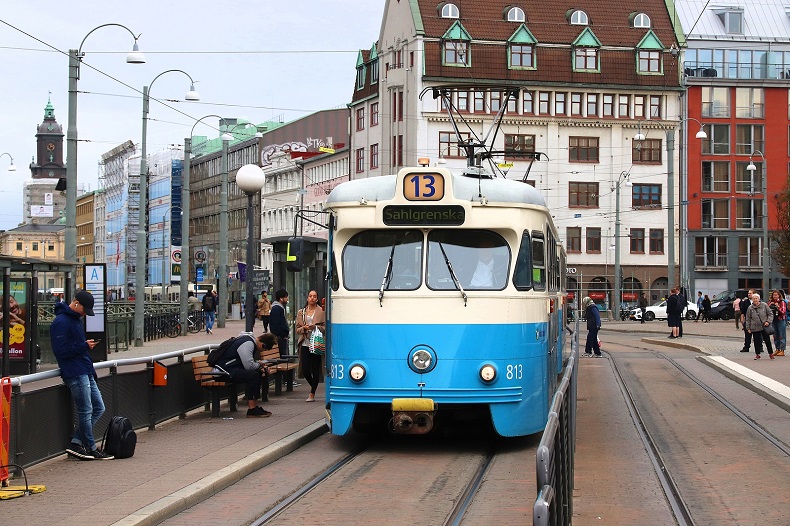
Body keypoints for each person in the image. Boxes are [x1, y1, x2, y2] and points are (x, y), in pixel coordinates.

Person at [51, 290, 113, 460]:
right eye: (84, 310)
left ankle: (77, 443)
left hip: (83, 370)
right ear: (76, 303)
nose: (85, 314)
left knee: (98, 407)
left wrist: (85, 349)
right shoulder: (61, 322)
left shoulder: (73, 320)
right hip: (75, 372)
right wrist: (84, 346)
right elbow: (61, 351)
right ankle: (91, 448)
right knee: (86, 410)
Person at [210, 332, 273, 417]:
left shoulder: (246, 340)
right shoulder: (248, 344)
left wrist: (259, 367)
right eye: (264, 349)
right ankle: (252, 409)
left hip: (228, 370)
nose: (261, 351)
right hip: (223, 372)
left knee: (257, 373)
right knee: (254, 376)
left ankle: (254, 407)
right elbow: (249, 366)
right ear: (263, 345)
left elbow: (247, 363)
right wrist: (259, 366)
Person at [295, 290, 326, 402]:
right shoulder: (301, 312)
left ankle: (312, 393)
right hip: (305, 342)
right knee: (305, 369)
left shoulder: (321, 312)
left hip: (316, 343)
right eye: (310, 296)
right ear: (307, 298)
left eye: (314, 296)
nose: (312, 298)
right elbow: (297, 329)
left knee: (315, 368)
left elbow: (325, 328)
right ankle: (313, 385)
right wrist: (304, 328)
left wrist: (315, 327)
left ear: (317, 299)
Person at [745, 293, 774, 360]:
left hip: (764, 326)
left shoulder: (764, 305)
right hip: (755, 327)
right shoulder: (750, 308)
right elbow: (748, 318)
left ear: (759, 299)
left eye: (756, 298)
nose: (755, 300)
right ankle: (757, 354)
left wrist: (768, 321)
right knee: (756, 341)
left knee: (767, 340)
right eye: (753, 299)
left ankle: (771, 353)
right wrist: (748, 327)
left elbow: (770, 314)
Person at [270, 288, 290, 358]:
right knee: (283, 357)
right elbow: (276, 324)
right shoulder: (277, 308)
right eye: (286, 297)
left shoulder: (278, 308)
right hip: (280, 338)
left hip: (280, 337)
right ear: (281, 298)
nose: (287, 299)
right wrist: (283, 335)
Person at [768, 290, 786, 357]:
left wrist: (778, 307)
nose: (775, 296)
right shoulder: (770, 302)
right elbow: (768, 310)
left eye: (776, 295)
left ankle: (782, 350)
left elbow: (783, 312)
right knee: (775, 335)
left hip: (780, 319)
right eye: (774, 295)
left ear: (779, 295)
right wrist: (770, 305)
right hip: (773, 320)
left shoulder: (782, 302)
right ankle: (777, 349)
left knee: (781, 335)